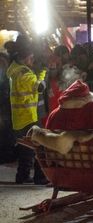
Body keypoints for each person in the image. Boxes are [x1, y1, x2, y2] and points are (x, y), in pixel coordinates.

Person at [6, 42, 48, 184]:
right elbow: (39, 87)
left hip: (19, 116)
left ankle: (22, 176)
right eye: (31, 58)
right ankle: (40, 177)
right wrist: (42, 72)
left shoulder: (13, 68)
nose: (32, 61)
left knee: (26, 148)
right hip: (29, 116)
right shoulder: (24, 73)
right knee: (39, 146)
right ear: (25, 58)